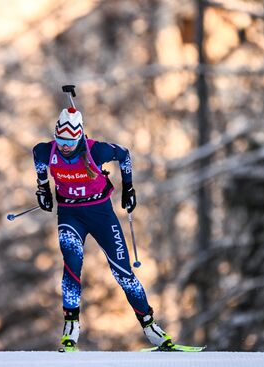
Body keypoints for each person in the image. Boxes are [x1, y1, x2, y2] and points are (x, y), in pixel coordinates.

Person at [32, 106, 174, 352]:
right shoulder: (47, 151)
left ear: (79, 135)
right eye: (60, 140)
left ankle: (151, 328)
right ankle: (71, 328)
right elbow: (38, 159)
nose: (65, 146)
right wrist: (43, 188)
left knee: (123, 273)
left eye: (70, 140)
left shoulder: (96, 150)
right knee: (72, 264)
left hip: (101, 215)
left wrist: (128, 188)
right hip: (70, 214)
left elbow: (125, 155)